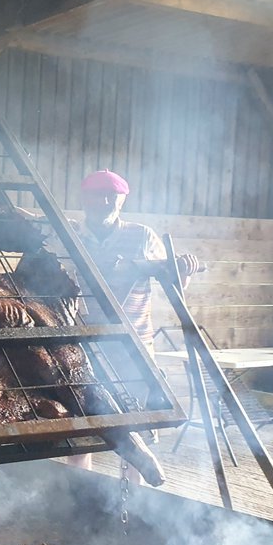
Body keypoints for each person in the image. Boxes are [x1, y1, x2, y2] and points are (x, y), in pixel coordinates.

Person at [67, 169, 201, 473]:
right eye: (95, 195)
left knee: (135, 427)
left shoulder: (141, 236)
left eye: (110, 197)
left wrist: (184, 273)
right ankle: (76, 494)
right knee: (80, 430)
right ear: (83, 199)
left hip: (133, 348)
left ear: (121, 201)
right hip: (82, 347)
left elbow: (173, 285)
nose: (102, 202)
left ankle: (136, 501)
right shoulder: (68, 233)